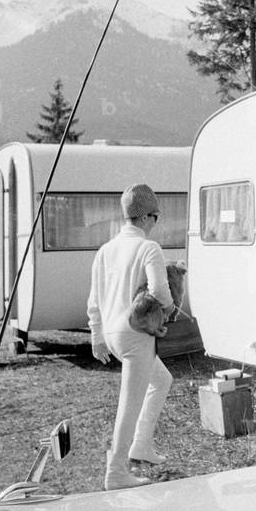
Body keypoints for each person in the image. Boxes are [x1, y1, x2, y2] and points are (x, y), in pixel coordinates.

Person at [87, 183, 175, 490]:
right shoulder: (148, 248)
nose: (156, 223)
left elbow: (94, 299)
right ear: (147, 217)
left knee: (161, 380)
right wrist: (169, 308)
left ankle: (141, 445)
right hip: (135, 333)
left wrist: (96, 335)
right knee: (130, 402)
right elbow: (160, 290)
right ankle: (116, 471)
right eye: (156, 217)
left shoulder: (105, 250)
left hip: (111, 332)